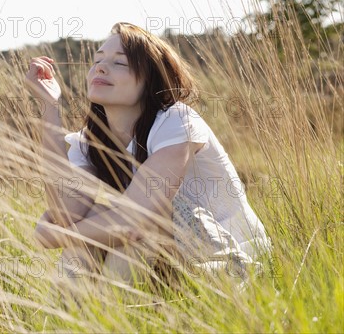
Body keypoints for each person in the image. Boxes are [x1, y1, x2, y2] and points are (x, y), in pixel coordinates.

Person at [24, 22, 272, 288]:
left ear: (150, 79)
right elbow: (66, 213)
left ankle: (106, 312)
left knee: (137, 217)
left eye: (120, 63)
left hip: (229, 264)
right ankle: (74, 321)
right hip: (162, 258)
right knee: (99, 221)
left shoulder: (176, 120)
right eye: (97, 60)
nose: (101, 67)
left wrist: (57, 235)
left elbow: (135, 222)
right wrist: (49, 107)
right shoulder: (91, 142)